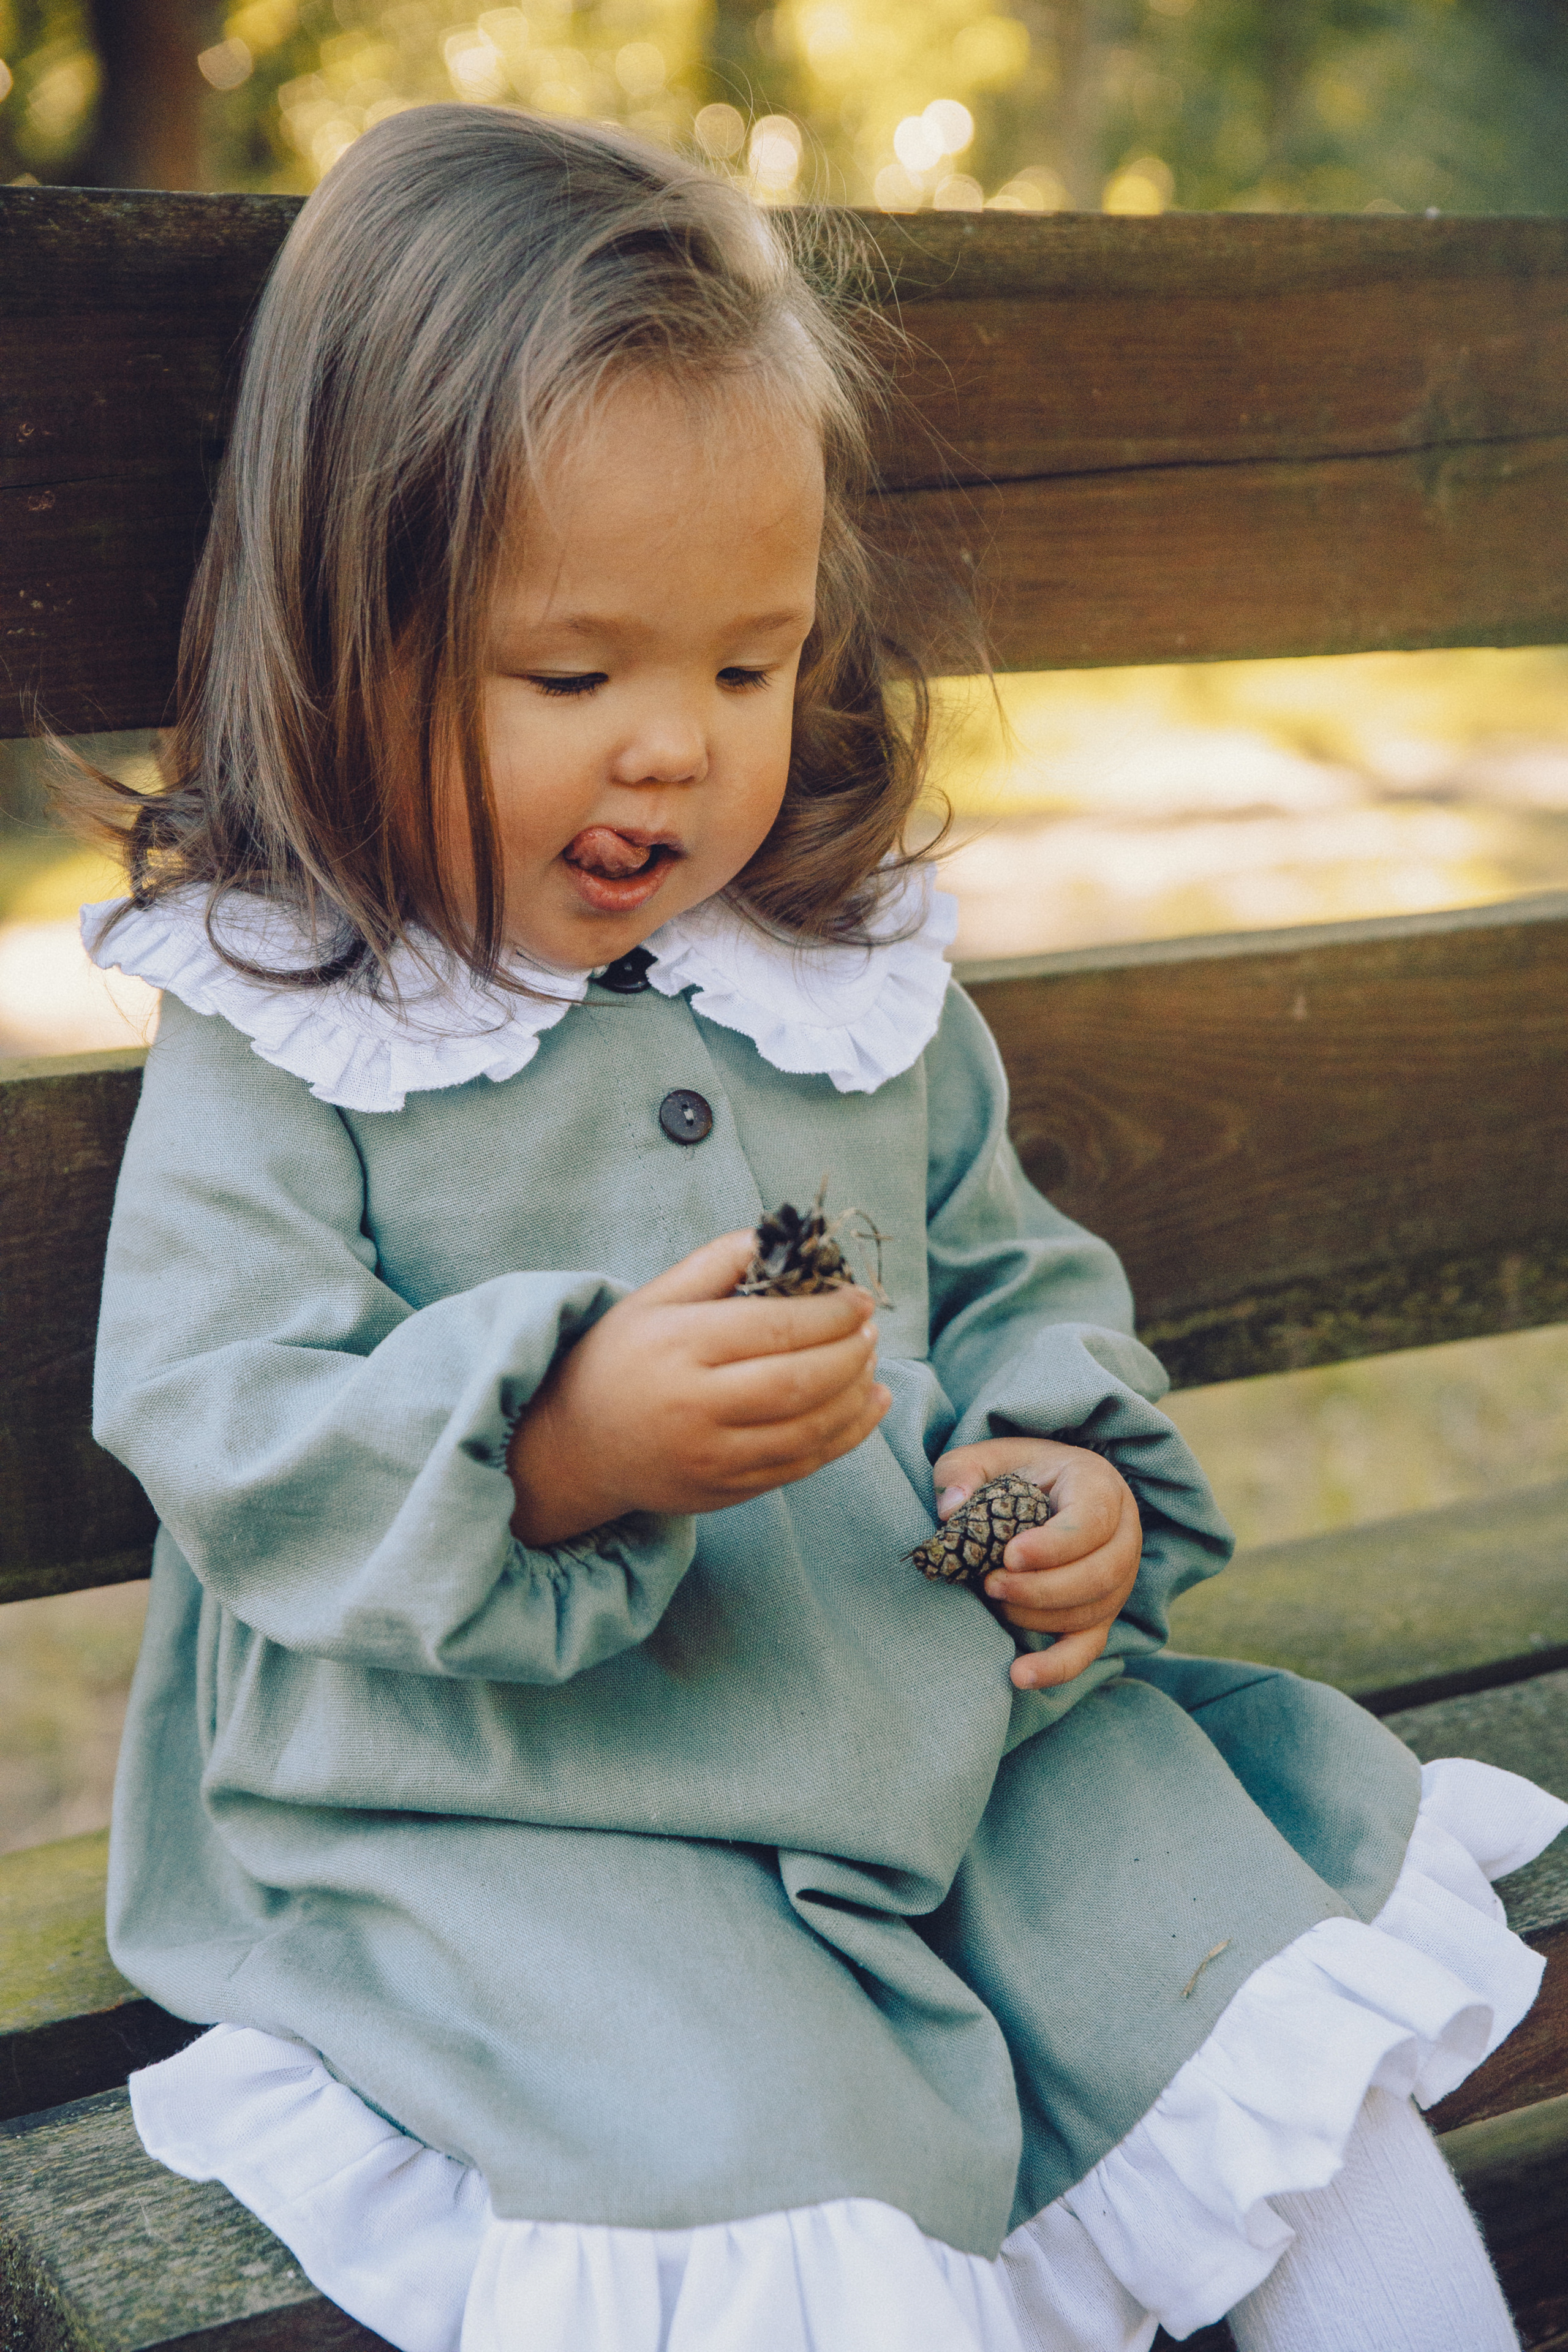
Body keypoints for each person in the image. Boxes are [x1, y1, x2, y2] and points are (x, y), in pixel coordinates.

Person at [78, 104, 1564, 2352]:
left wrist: (1060, 1484)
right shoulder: (299, 1022)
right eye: (572, 679)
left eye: (747, 667)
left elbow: (1011, 1279)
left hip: (944, 1733)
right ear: (344, 633)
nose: (672, 749)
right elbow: (216, 1408)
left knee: (1242, 2005)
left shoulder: (838, 979)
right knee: (774, 2172)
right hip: (528, 1821)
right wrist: (555, 1446)